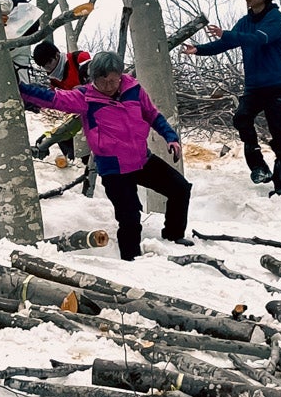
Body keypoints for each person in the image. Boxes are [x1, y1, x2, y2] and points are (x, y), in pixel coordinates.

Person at [19, 50, 188, 259]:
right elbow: (54, 99)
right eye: (103, 81)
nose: (109, 86)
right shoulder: (85, 97)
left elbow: (152, 114)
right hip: (114, 168)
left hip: (142, 159)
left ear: (120, 76)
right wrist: (20, 89)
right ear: (93, 79)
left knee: (180, 189)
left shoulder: (133, 89)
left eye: (113, 80)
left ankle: (174, 236)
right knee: (130, 219)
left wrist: (171, 137)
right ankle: (132, 261)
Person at [184, 0, 281, 196]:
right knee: (241, 118)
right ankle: (258, 166)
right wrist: (199, 50)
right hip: (255, 87)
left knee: (279, 134)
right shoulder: (244, 22)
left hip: (277, 85)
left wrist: (229, 34)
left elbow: (259, 38)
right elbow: (226, 42)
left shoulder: (274, 18)